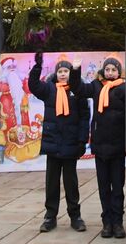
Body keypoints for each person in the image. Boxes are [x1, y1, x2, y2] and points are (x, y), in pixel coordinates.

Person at [28, 53, 90, 232]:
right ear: (56, 73)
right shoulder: (49, 89)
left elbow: (85, 117)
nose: (63, 74)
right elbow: (33, 86)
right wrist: (37, 66)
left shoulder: (78, 91)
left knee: (71, 182)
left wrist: (81, 140)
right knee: (52, 182)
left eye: (66, 71)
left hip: (71, 143)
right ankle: (50, 217)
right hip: (53, 142)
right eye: (60, 71)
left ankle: (75, 216)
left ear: (71, 73)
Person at [83, 56, 126, 238]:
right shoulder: (96, 86)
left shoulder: (125, 87)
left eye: (114, 69)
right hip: (100, 145)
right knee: (104, 187)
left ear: (119, 71)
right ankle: (107, 222)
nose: (110, 72)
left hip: (118, 146)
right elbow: (79, 89)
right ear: (103, 71)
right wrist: (74, 70)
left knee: (118, 187)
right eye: (107, 69)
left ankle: (118, 222)